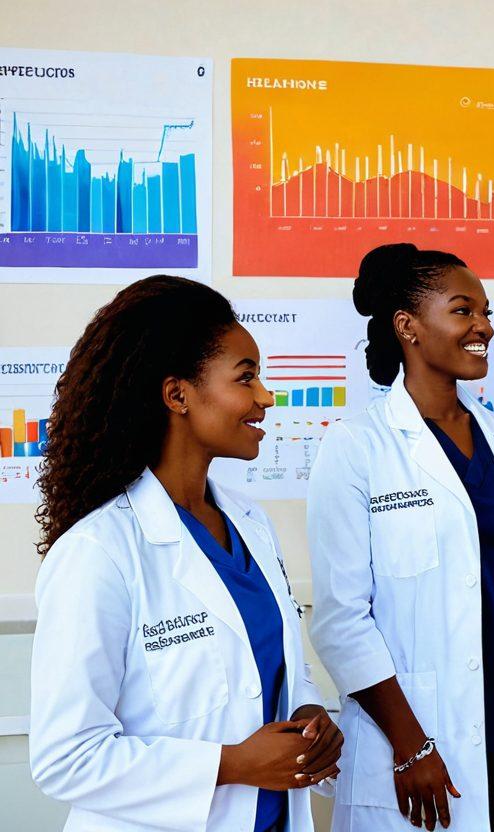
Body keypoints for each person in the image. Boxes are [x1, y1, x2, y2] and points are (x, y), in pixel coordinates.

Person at [29, 275, 341, 832]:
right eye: (246, 378)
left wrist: (308, 714)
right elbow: (65, 758)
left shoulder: (251, 526)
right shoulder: (99, 553)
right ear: (178, 395)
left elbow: (266, 669)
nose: (266, 396)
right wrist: (232, 765)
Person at [307, 244, 494, 832]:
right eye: (462, 310)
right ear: (408, 327)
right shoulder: (357, 446)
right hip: (420, 742)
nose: (483, 326)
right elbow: (342, 619)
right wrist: (411, 745)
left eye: (485, 311)